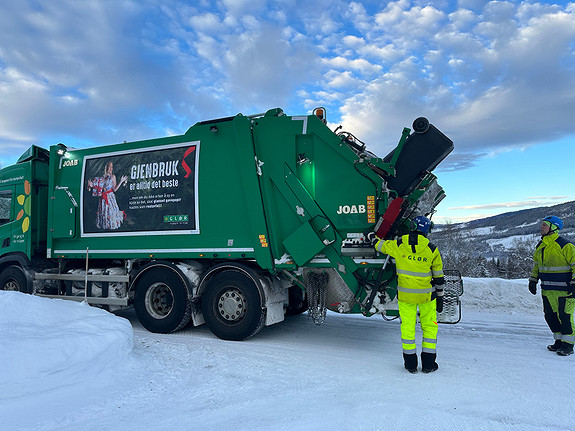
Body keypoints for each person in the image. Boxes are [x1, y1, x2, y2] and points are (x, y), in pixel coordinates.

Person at [374, 215, 445, 373]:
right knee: (429, 329)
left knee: (407, 329)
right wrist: (440, 297)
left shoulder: (399, 245)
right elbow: (439, 278)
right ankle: (428, 365)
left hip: (406, 297)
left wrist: (373, 238)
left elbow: (380, 246)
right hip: (427, 297)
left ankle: (410, 365)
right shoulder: (432, 249)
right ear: (427, 230)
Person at [528, 216, 575, 356]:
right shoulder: (540, 246)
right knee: (550, 316)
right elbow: (537, 266)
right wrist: (533, 280)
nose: (541, 227)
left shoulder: (565, 245)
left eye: (544, 225)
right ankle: (559, 342)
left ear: (553, 227)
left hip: (565, 290)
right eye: (541, 225)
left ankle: (568, 345)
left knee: (565, 316)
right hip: (548, 290)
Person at [88, 161, 128, 230]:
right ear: (106, 168)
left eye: (111, 167)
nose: (110, 169)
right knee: (104, 211)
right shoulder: (102, 177)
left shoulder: (113, 177)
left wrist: (121, 181)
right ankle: (105, 225)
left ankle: (111, 225)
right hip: (103, 198)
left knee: (111, 212)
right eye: (108, 167)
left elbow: (115, 189)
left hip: (110, 197)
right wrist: (91, 185)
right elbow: (97, 187)